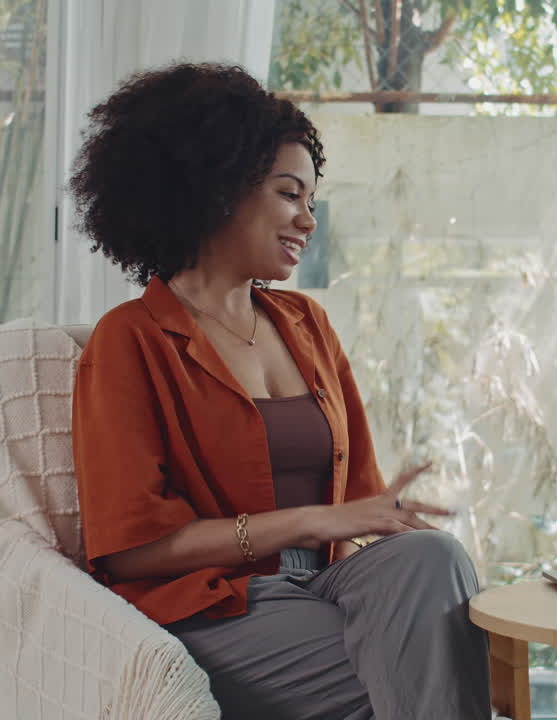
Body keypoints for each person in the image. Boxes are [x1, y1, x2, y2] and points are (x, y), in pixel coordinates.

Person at [69, 62, 490, 720]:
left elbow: (359, 510)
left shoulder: (307, 325)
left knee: (433, 557)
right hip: (214, 604)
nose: (307, 219)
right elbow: (130, 548)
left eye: (312, 200)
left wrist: (374, 536)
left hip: (326, 585)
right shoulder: (131, 340)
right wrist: (306, 522)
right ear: (218, 190)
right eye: (289, 194)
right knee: (422, 671)